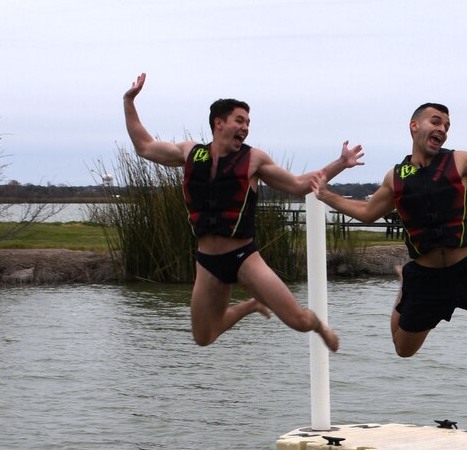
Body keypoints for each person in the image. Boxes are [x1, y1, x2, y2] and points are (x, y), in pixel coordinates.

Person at [123, 73, 363, 351]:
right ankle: (251, 305)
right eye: (240, 120)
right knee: (203, 337)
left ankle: (320, 326)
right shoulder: (190, 153)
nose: (245, 127)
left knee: (299, 321)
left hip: (244, 258)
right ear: (219, 123)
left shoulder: (253, 159)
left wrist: (340, 163)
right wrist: (129, 101)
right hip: (207, 262)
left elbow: (298, 185)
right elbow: (144, 146)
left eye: (248, 122)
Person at [313, 92, 467, 357]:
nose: (442, 129)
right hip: (425, 277)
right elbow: (367, 212)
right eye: (436, 121)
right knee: (403, 349)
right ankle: (404, 285)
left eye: (447, 126)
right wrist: (326, 195)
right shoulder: (396, 177)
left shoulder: (458, 161)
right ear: (414, 125)